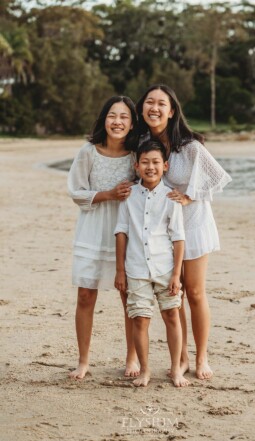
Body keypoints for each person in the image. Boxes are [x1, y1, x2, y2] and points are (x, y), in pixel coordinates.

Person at [136, 85, 232, 380]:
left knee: (194, 292)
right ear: (142, 109)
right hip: (164, 231)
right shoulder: (142, 143)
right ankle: (183, 358)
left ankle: (202, 358)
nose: (154, 107)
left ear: (171, 110)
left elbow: (218, 177)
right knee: (173, 293)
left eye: (161, 103)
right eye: (149, 102)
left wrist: (190, 195)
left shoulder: (189, 146)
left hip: (193, 225)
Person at [68, 96, 140, 379]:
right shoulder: (88, 152)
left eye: (124, 117)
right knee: (85, 295)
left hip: (125, 232)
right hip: (92, 229)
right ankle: (83, 361)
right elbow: (75, 191)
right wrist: (109, 194)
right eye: (112, 115)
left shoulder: (136, 154)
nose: (118, 121)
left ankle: (132, 358)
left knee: (128, 297)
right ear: (104, 119)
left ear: (132, 123)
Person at [114, 140, 189, 387]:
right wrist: (120, 271)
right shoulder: (129, 195)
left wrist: (177, 275)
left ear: (165, 166)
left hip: (165, 269)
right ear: (136, 166)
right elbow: (122, 232)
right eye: (145, 162)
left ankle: (176, 369)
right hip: (136, 269)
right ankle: (145, 370)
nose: (150, 167)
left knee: (171, 316)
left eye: (156, 162)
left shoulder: (171, 198)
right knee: (140, 319)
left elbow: (178, 238)